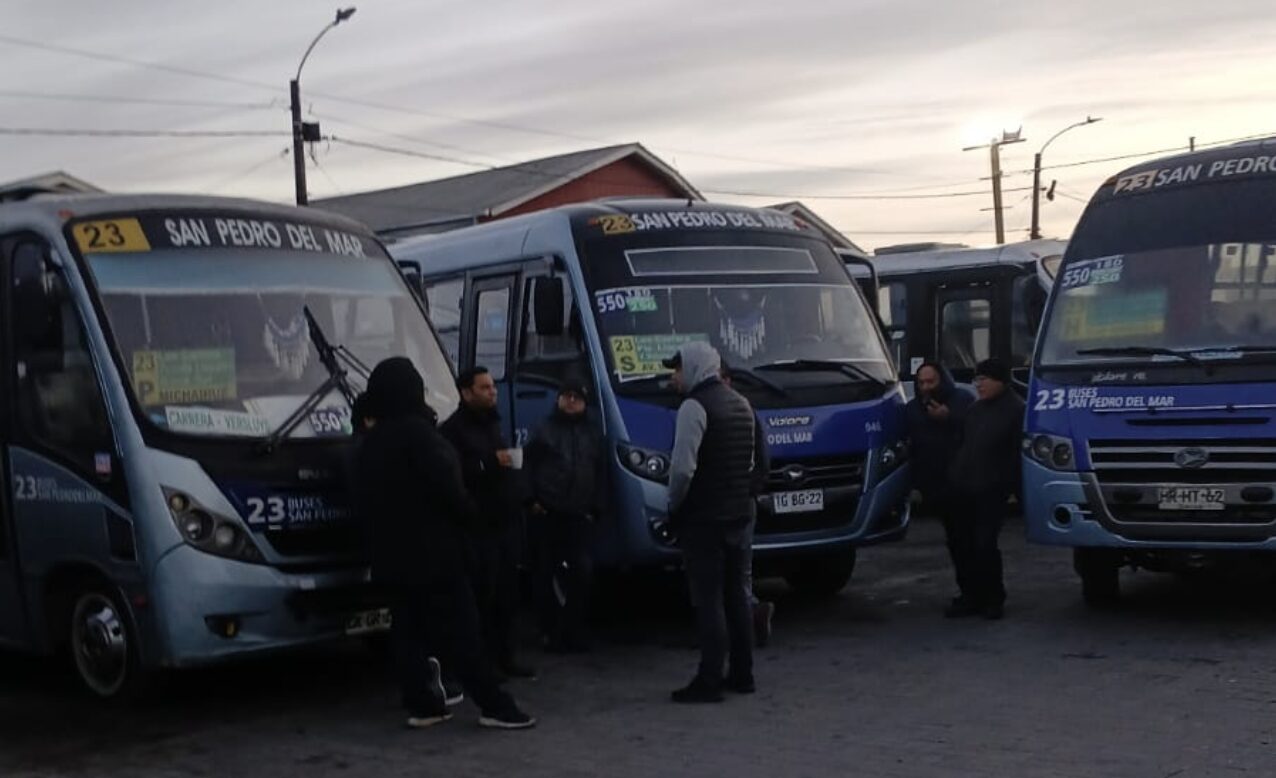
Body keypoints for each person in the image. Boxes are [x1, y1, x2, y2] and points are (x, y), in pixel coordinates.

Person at [353, 357, 534, 729]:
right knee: (465, 632)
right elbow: (451, 491)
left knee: (407, 633)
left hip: (391, 556)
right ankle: (495, 705)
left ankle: (422, 704)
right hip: (436, 555)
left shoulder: (370, 444)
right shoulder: (421, 436)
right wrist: (473, 519)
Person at [664, 341, 758, 703]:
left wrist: (674, 505)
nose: (674, 377)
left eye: (677, 369)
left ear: (695, 368)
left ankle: (709, 679)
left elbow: (683, 469)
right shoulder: (741, 403)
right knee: (736, 596)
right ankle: (743, 673)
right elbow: (747, 464)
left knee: (708, 600)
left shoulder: (694, 406)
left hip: (704, 518)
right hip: (738, 513)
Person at [440, 367, 536, 680]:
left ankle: (505, 656)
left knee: (508, 596)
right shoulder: (453, 430)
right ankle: (479, 665)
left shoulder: (492, 422)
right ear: (466, 393)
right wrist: (491, 462)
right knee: (484, 595)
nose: (492, 392)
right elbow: (458, 473)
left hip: (505, 522)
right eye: (484, 388)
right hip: (479, 526)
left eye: (492, 386)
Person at [525, 378, 604, 653]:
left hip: (579, 514)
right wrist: (531, 501)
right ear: (557, 399)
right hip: (548, 512)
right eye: (566, 396)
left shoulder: (593, 433)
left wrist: (596, 507)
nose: (570, 401)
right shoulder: (543, 429)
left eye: (577, 397)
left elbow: (600, 472)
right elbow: (526, 467)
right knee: (544, 574)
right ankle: (548, 631)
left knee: (582, 573)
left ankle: (574, 630)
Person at [946, 358, 1025, 620]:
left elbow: (1018, 455)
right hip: (963, 487)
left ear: (1000, 381)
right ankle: (970, 595)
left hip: (992, 489)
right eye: (976, 380)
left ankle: (993, 598)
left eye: (984, 379)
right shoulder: (976, 410)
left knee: (985, 544)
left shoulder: (1017, 410)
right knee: (961, 544)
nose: (978, 385)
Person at [904, 361, 976, 616]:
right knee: (956, 543)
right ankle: (968, 593)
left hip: (967, 485)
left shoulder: (963, 400)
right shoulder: (913, 409)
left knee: (976, 543)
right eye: (921, 383)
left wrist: (948, 418)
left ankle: (984, 596)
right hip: (937, 489)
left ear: (942, 380)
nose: (926, 388)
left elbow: (977, 431)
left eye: (930, 382)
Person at [719, 361, 775, 647]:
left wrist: (750, 489)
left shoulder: (733, 410)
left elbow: (762, 459)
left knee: (731, 569)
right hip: (741, 500)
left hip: (731, 503)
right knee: (740, 568)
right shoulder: (741, 408)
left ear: (727, 380)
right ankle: (750, 615)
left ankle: (746, 619)